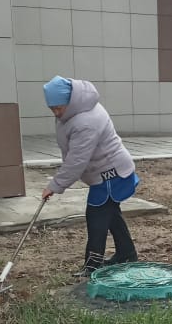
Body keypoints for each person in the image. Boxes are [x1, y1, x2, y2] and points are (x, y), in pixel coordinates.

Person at [41, 75, 139, 274]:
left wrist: (55, 185)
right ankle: (126, 253)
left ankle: (93, 266)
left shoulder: (86, 120)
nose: (57, 113)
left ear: (71, 100)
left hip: (112, 174)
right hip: (105, 173)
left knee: (96, 218)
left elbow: (77, 160)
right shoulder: (73, 112)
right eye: (53, 109)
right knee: (110, 215)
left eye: (59, 108)